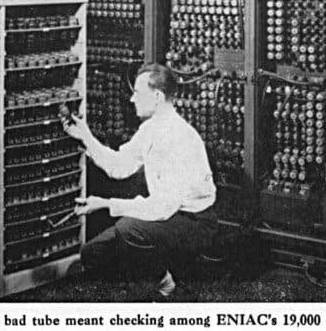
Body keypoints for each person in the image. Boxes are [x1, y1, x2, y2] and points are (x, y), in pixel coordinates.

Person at [62, 63, 218, 298]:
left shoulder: (178, 137)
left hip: (194, 222)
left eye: (137, 92)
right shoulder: (152, 128)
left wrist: (105, 203)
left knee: (129, 230)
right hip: (168, 212)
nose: (132, 99)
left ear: (157, 96)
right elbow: (120, 166)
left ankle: (164, 286)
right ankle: (141, 283)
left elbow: (162, 208)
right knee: (92, 253)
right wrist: (85, 136)